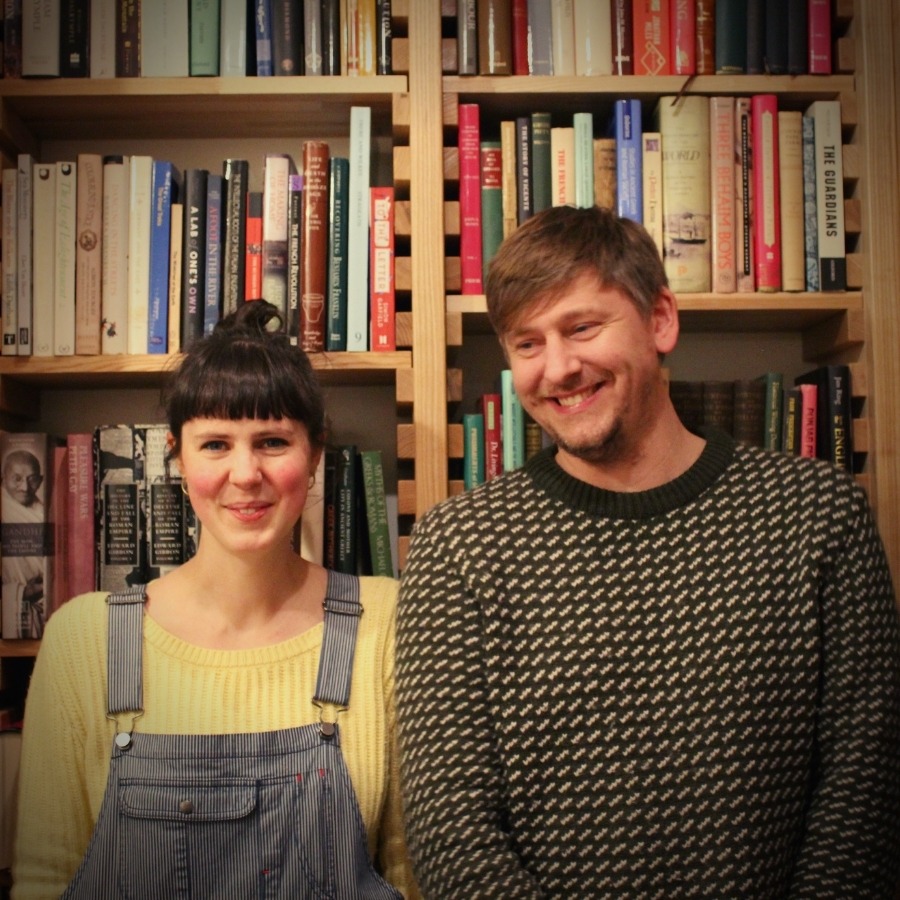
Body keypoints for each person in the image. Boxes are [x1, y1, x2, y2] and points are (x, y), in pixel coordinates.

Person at [395, 205, 900, 897]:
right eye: (527, 343)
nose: (559, 368)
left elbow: (864, 790)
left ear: (660, 319)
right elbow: (450, 826)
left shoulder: (817, 515)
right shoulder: (460, 546)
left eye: (581, 327)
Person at [14, 300, 419, 899]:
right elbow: (45, 882)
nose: (245, 472)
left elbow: (411, 876)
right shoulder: (83, 641)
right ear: (177, 457)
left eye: (273, 441)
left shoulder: (385, 622)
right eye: (215, 445)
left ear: (314, 457)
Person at [1, 448, 47, 638]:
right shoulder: (3, 509)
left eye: (32, 479)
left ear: (41, 480)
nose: (25, 488)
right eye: (17, 478)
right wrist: (22, 592)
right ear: (3, 477)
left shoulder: (45, 511)